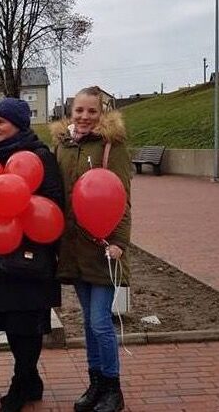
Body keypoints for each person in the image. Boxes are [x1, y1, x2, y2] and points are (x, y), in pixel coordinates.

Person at [0, 98, 65, 412]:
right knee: (13, 324)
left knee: (27, 323)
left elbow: (54, 203)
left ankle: (20, 382)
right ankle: (31, 380)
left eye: (2, 121)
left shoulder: (39, 157)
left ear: (19, 124)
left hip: (29, 255)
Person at [52, 86, 132, 412]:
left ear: (102, 114)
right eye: (79, 111)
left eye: (91, 111)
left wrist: (120, 243)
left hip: (103, 248)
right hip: (74, 248)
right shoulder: (63, 146)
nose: (85, 117)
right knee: (87, 322)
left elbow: (123, 198)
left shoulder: (112, 146)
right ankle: (96, 384)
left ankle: (113, 389)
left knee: (100, 321)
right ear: (71, 113)